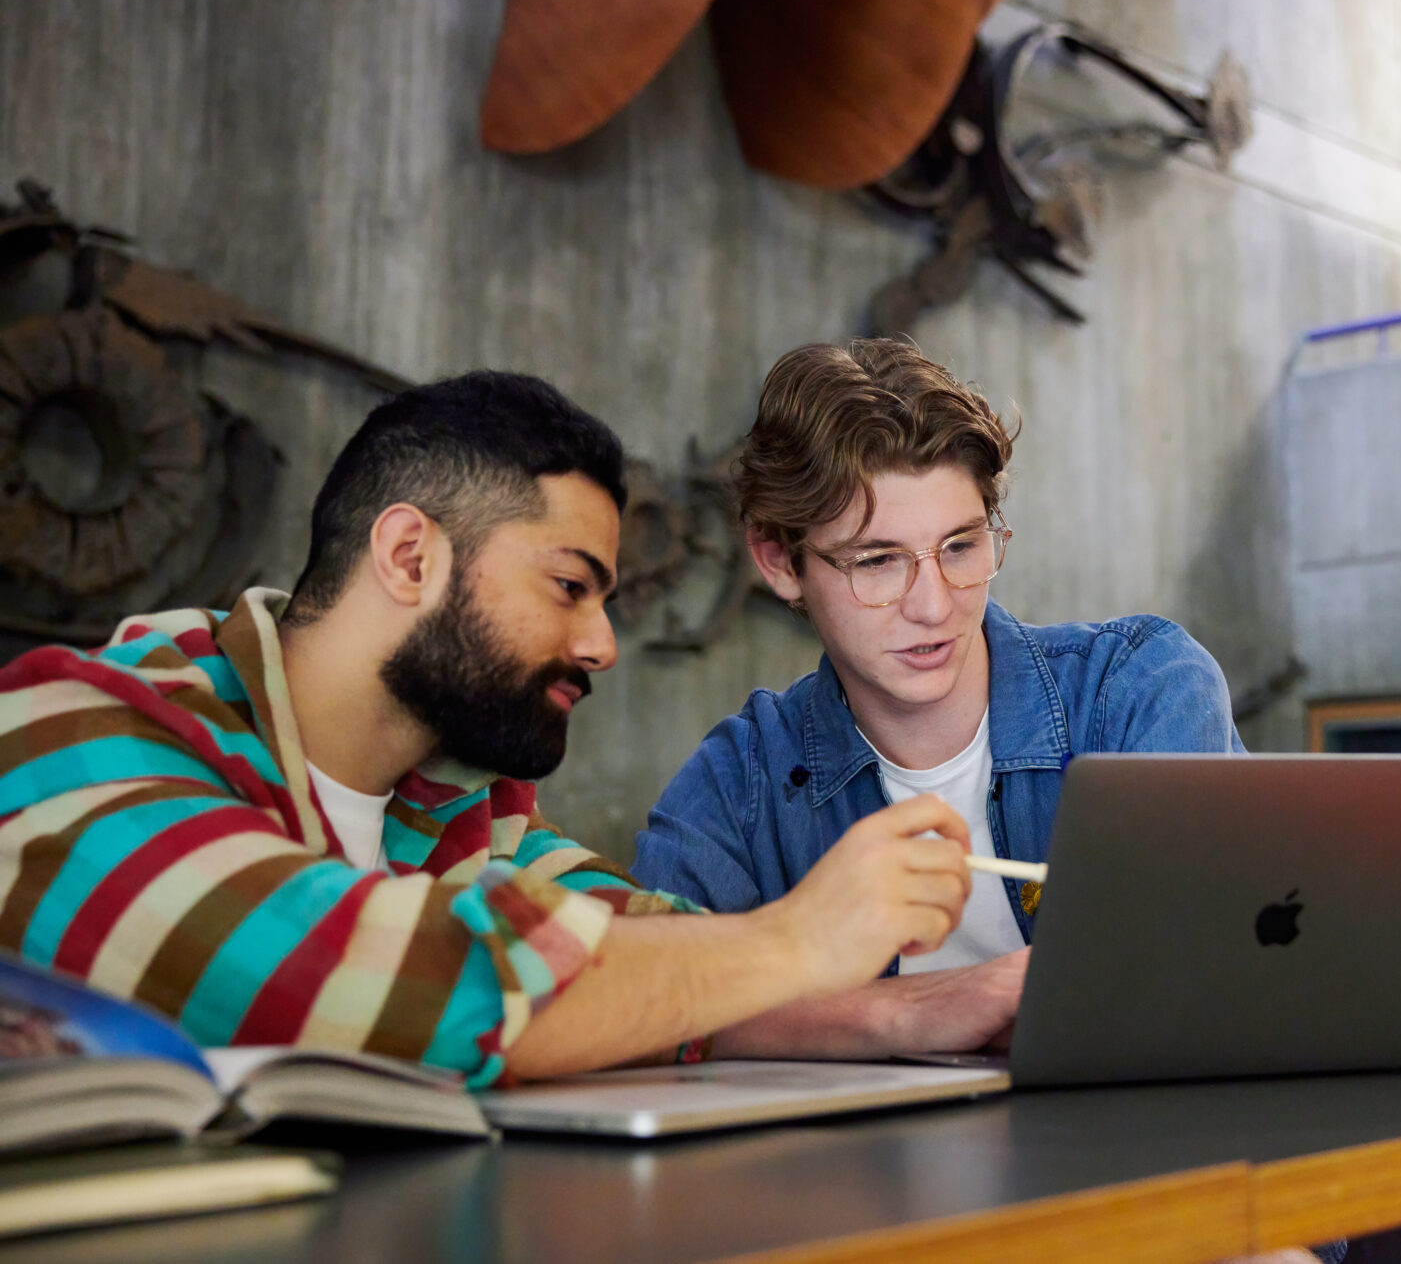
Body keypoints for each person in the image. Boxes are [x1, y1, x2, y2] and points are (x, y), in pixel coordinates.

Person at [0, 371, 976, 1086]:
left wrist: (928, 1006)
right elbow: (349, 981)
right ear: (410, 555)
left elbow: (664, 970)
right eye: (567, 587)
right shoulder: (71, 736)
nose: (601, 643)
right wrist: (802, 937)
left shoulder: (459, 814)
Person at [632, 338, 1246, 1059]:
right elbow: (641, 1004)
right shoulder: (743, 781)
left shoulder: (1139, 687)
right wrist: (900, 1014)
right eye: (878, 561)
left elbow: (1214, 976)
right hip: (850, 1173)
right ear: (778, 561)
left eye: (961, 547)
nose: (933, 607)